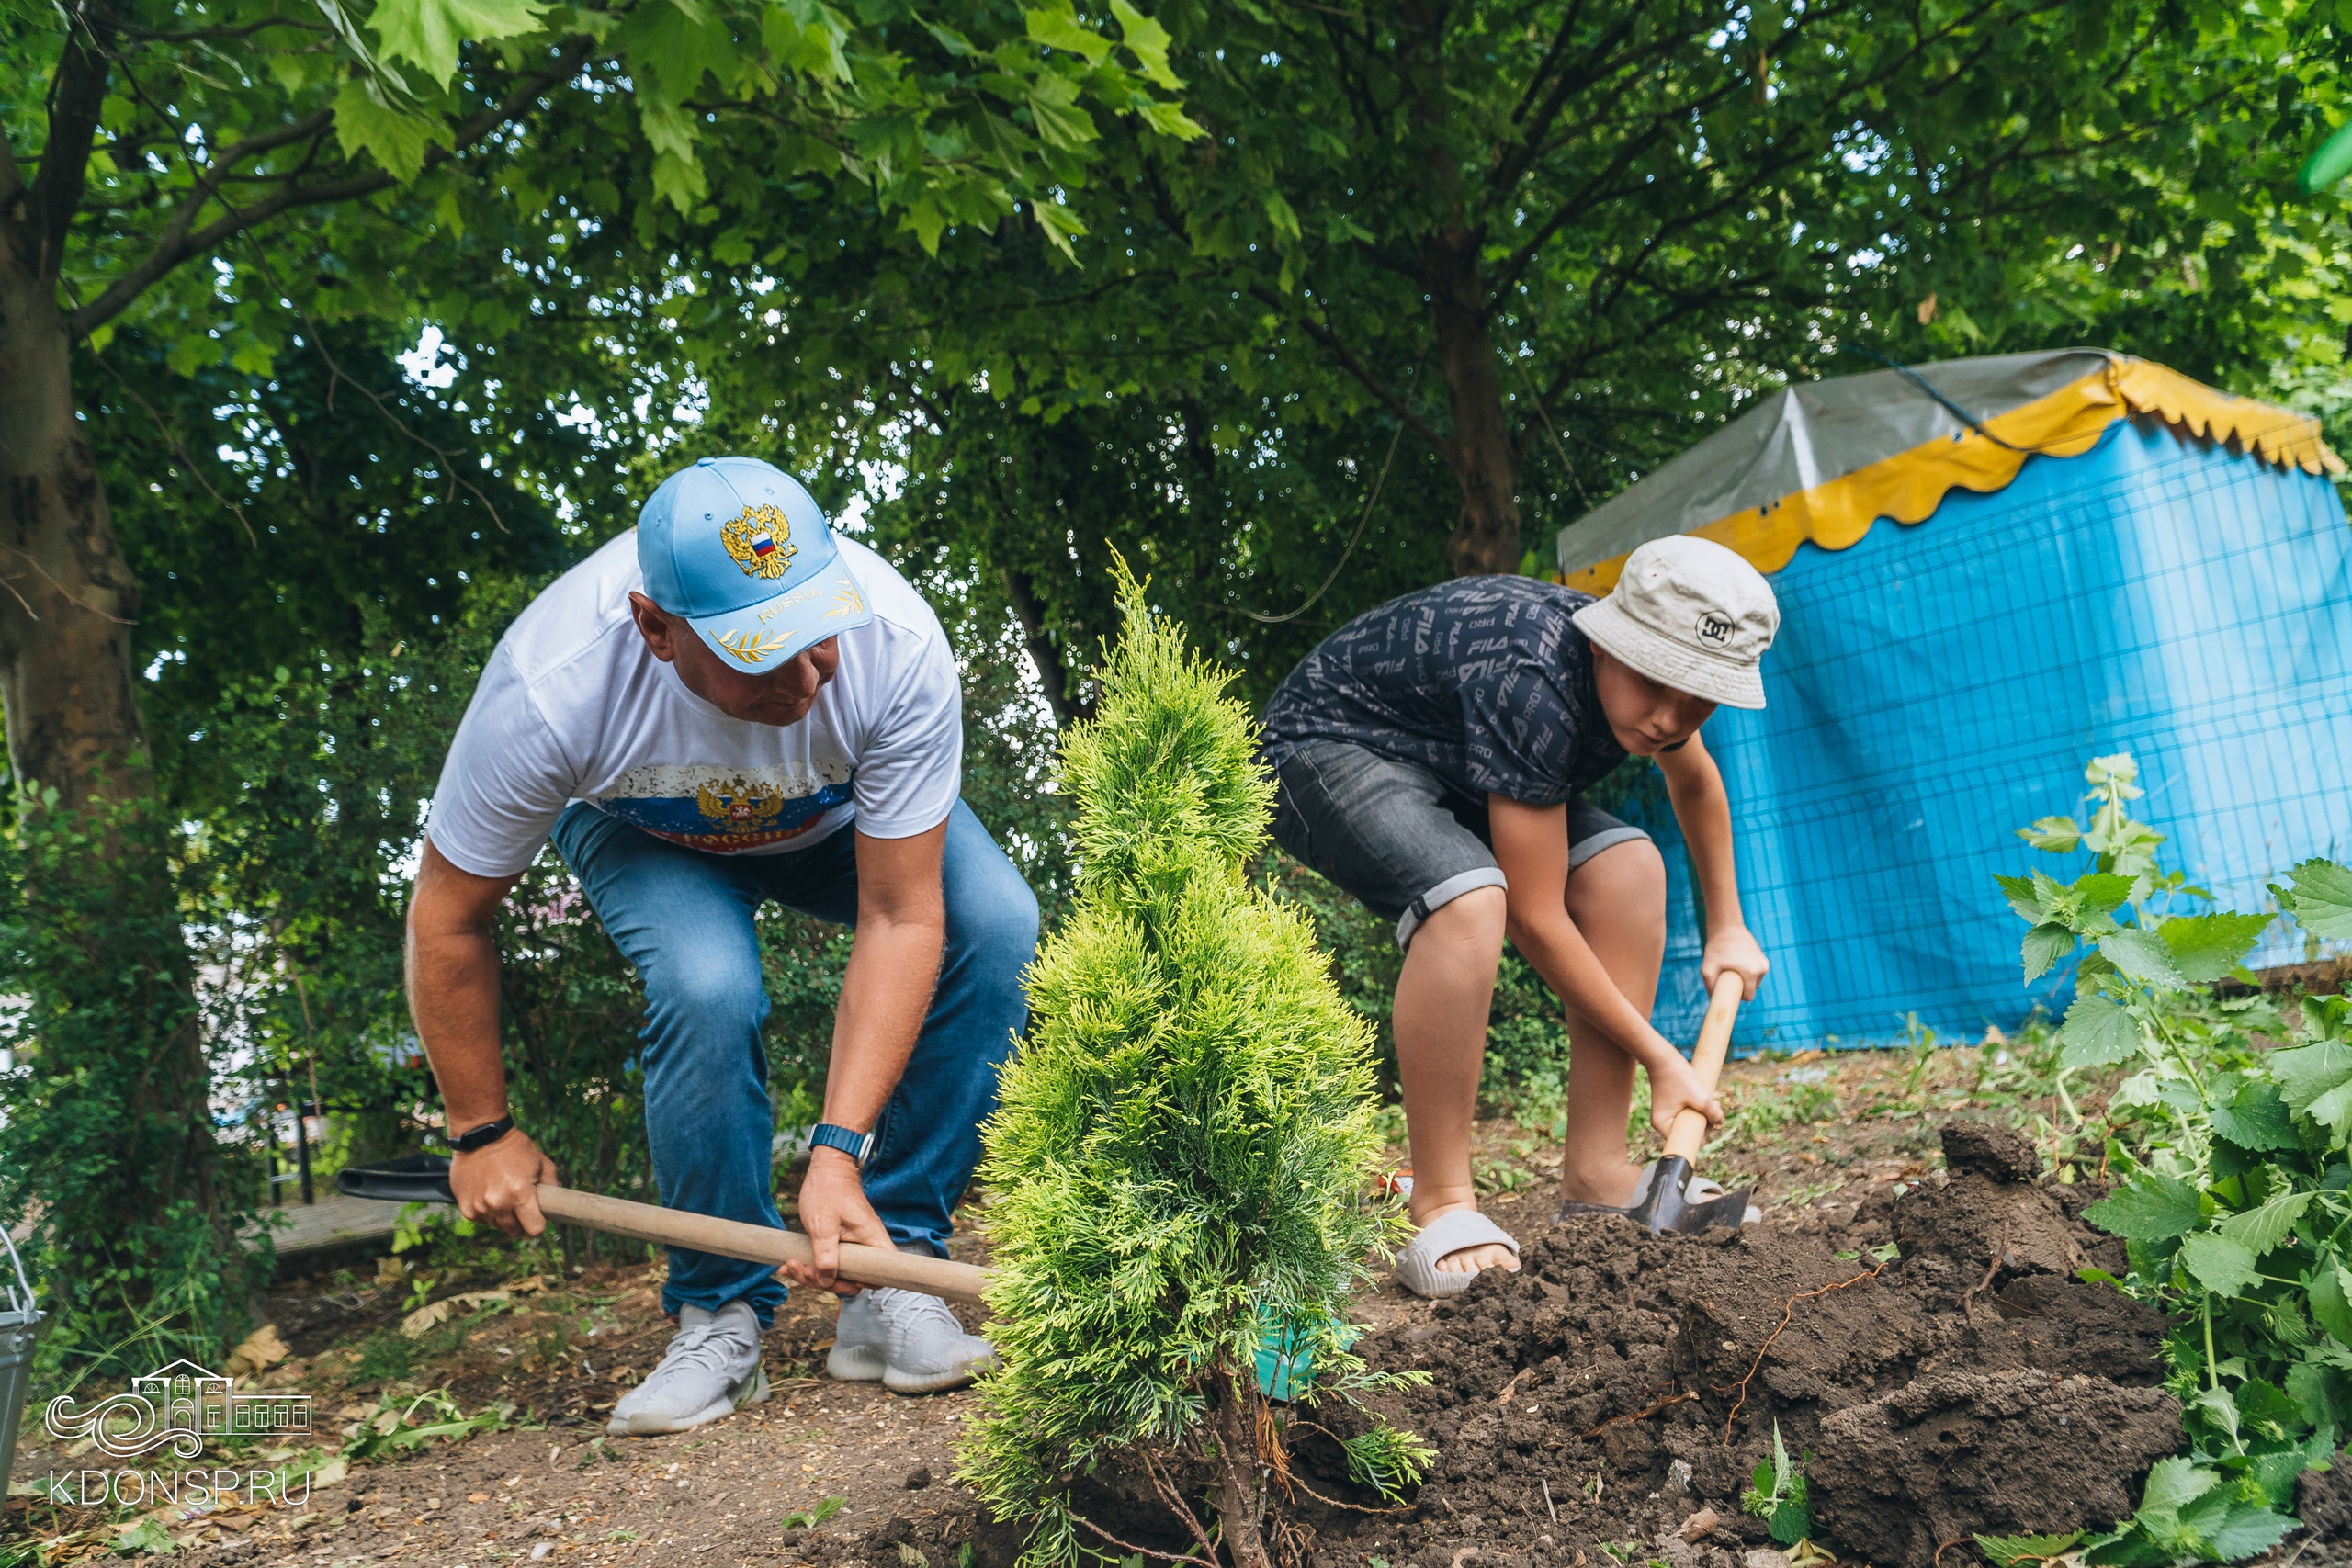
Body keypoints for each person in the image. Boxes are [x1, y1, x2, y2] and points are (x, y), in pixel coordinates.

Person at [406, 456, 1039, 1428]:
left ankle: (891, 1269)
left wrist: (835, 1154)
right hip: (646, 831)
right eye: (759, 652)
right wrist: (480, 1131)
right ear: (654, 629)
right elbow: (449, 916)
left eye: (814, 634)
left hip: (838, 827)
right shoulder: (550, 688)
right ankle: (721, 1310)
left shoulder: (896, 641)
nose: (806, 678)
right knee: (706, 985)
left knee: (997, 925)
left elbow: (901, 915)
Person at [1258, 535, 1779, 1297]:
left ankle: (1598, 1176)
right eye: (1656, 682)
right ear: (1613, 641)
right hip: (1329, 745)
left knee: (1628, 870)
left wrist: (1727, 924)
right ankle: (1439, 1205)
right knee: (1469, 898)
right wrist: (1664, 1059)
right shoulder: (1533, 678)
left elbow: (1695, 784)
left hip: (1456, 753)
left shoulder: (1649, 690)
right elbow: (1535, 918)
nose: (1670, 717)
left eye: (1696, 692)